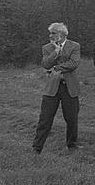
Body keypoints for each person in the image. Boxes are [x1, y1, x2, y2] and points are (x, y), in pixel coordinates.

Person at [32, 22, 82, 154]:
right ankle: (37, 147)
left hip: (70, 87)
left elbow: (74, 63)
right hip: (52, 88)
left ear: (62, 34)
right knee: (45, 118)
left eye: (53, 33)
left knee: (72, 118)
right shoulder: (47, 48)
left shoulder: (74, 46)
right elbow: (45, 64)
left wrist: (56, 68)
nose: (51, 35)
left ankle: (72, 145)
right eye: (50, 33)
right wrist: (56, 51)